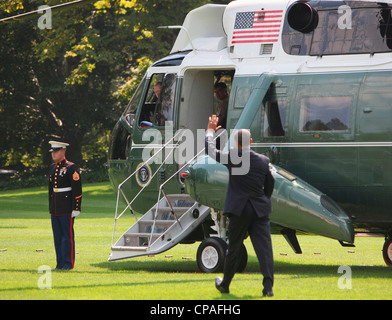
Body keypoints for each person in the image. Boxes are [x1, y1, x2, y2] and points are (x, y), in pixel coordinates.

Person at [205, 115, 275, 297]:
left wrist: (210, 131)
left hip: (239, 209)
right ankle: (268, 287)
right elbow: (270, 184)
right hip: (259, 209)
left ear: (235, 142)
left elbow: (211, 151)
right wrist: (263, 200)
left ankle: (225, 284)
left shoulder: (233, 157)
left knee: (234, 247)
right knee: (264, 248)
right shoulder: (263, 161)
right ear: (250, 141)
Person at [48, 141, 82, 270]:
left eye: (56, 151)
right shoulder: (52, 168)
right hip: (55, 207)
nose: (54, 154)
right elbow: (50, 190)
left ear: (63, 151)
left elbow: (77, 189)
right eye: (53, 152)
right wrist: (51, 206)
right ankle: (60, 263)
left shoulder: (71, 167)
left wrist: (76, 207)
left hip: (67, 207)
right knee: (57, 237)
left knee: (66, 237)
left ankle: (68, 264)